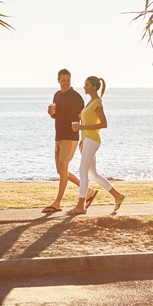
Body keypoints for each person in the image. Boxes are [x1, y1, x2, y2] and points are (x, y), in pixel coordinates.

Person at [67, 75, 125, 215]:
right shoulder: (91, 102)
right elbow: (87, 123)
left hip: (93, 140)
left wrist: (82, 129)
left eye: (86, 85)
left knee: (82, 170)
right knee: (92, 174)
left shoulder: (97, 102)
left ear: (94, 87)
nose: (84, 87)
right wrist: (82, 138)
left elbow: (104, 124)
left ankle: (80, 206)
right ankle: (117, 196)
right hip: (87, 140)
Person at [42, 68, 85, 214]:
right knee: (61, 171)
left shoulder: (76, 97)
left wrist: (83, 137)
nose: (66, 83)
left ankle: (57, 203)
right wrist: (51, 114)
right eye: (63, 80)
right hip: (58, 136)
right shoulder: (57, 96)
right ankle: (88, 190)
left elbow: (82, 117)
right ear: (58, 80)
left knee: (63, 168)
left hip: (71, 136)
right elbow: (56, 116)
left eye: (68, 80)